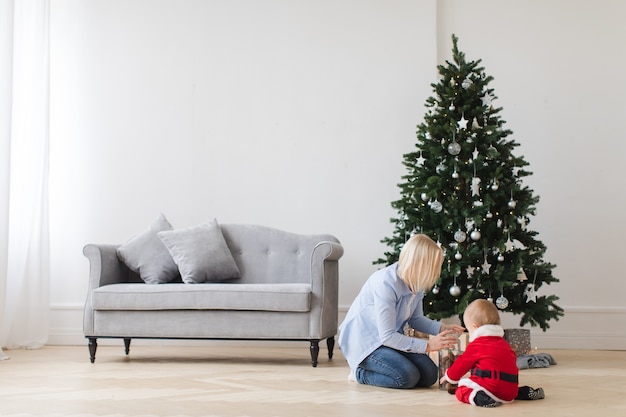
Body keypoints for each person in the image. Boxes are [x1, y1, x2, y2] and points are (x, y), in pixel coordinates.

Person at [338, 234, 465, 389]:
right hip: (367, 343)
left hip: (389, 340)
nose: (436, 272)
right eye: (434, 266)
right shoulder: (386, 283)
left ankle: (390, 366)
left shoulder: (416, 283)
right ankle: (359, 373)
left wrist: (441, 328)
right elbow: (387, 336)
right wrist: (428, 345)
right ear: (420, 264)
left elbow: (416, 318)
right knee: (407, 377)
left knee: (430, 374)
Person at [440, 299, 545, 407]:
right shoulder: (504, 344)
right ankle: (526, 392)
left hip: (490, 388)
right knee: (506, 386)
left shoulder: (478, 345)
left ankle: (481, 398)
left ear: (475, 327)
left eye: (469, 329)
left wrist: (449, 376)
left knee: (461, 391)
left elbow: (462, 364)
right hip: (510, 391)